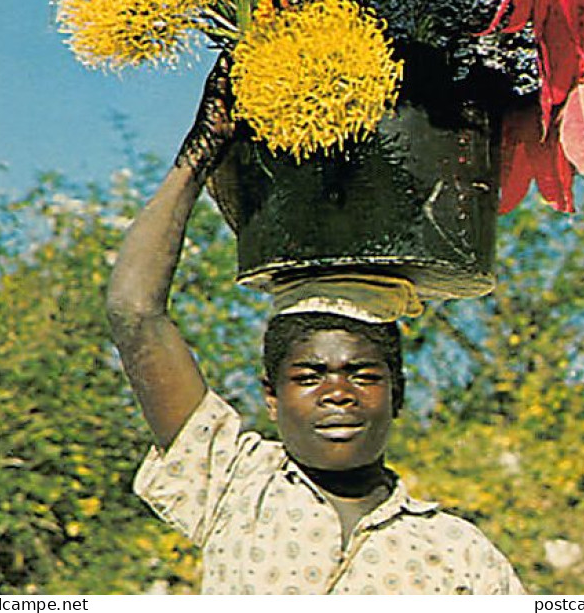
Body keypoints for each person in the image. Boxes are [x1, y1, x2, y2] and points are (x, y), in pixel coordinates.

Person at [107, 57, 525, 596]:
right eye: (308, 376)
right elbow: (134, 313)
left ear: (397, 394)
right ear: (273, 398)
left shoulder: (460, 554)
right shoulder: (234, 484)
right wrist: (201, 151)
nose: (337, 394)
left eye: (362, 374)